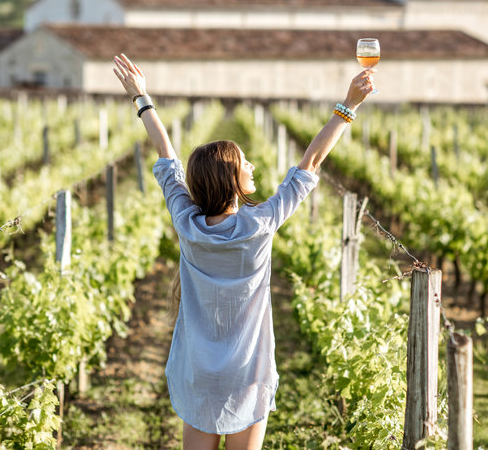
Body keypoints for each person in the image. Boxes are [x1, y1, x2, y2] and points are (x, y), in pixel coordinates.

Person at [112, 53, 374, 450]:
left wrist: (141, 98)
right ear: (231, 179)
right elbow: (312, 162)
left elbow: (167, 158)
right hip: (247, 375)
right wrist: (348, 106)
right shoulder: (261, 223)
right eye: (243, 162)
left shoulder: (187, 223)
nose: (251, 165)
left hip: (197, 373)